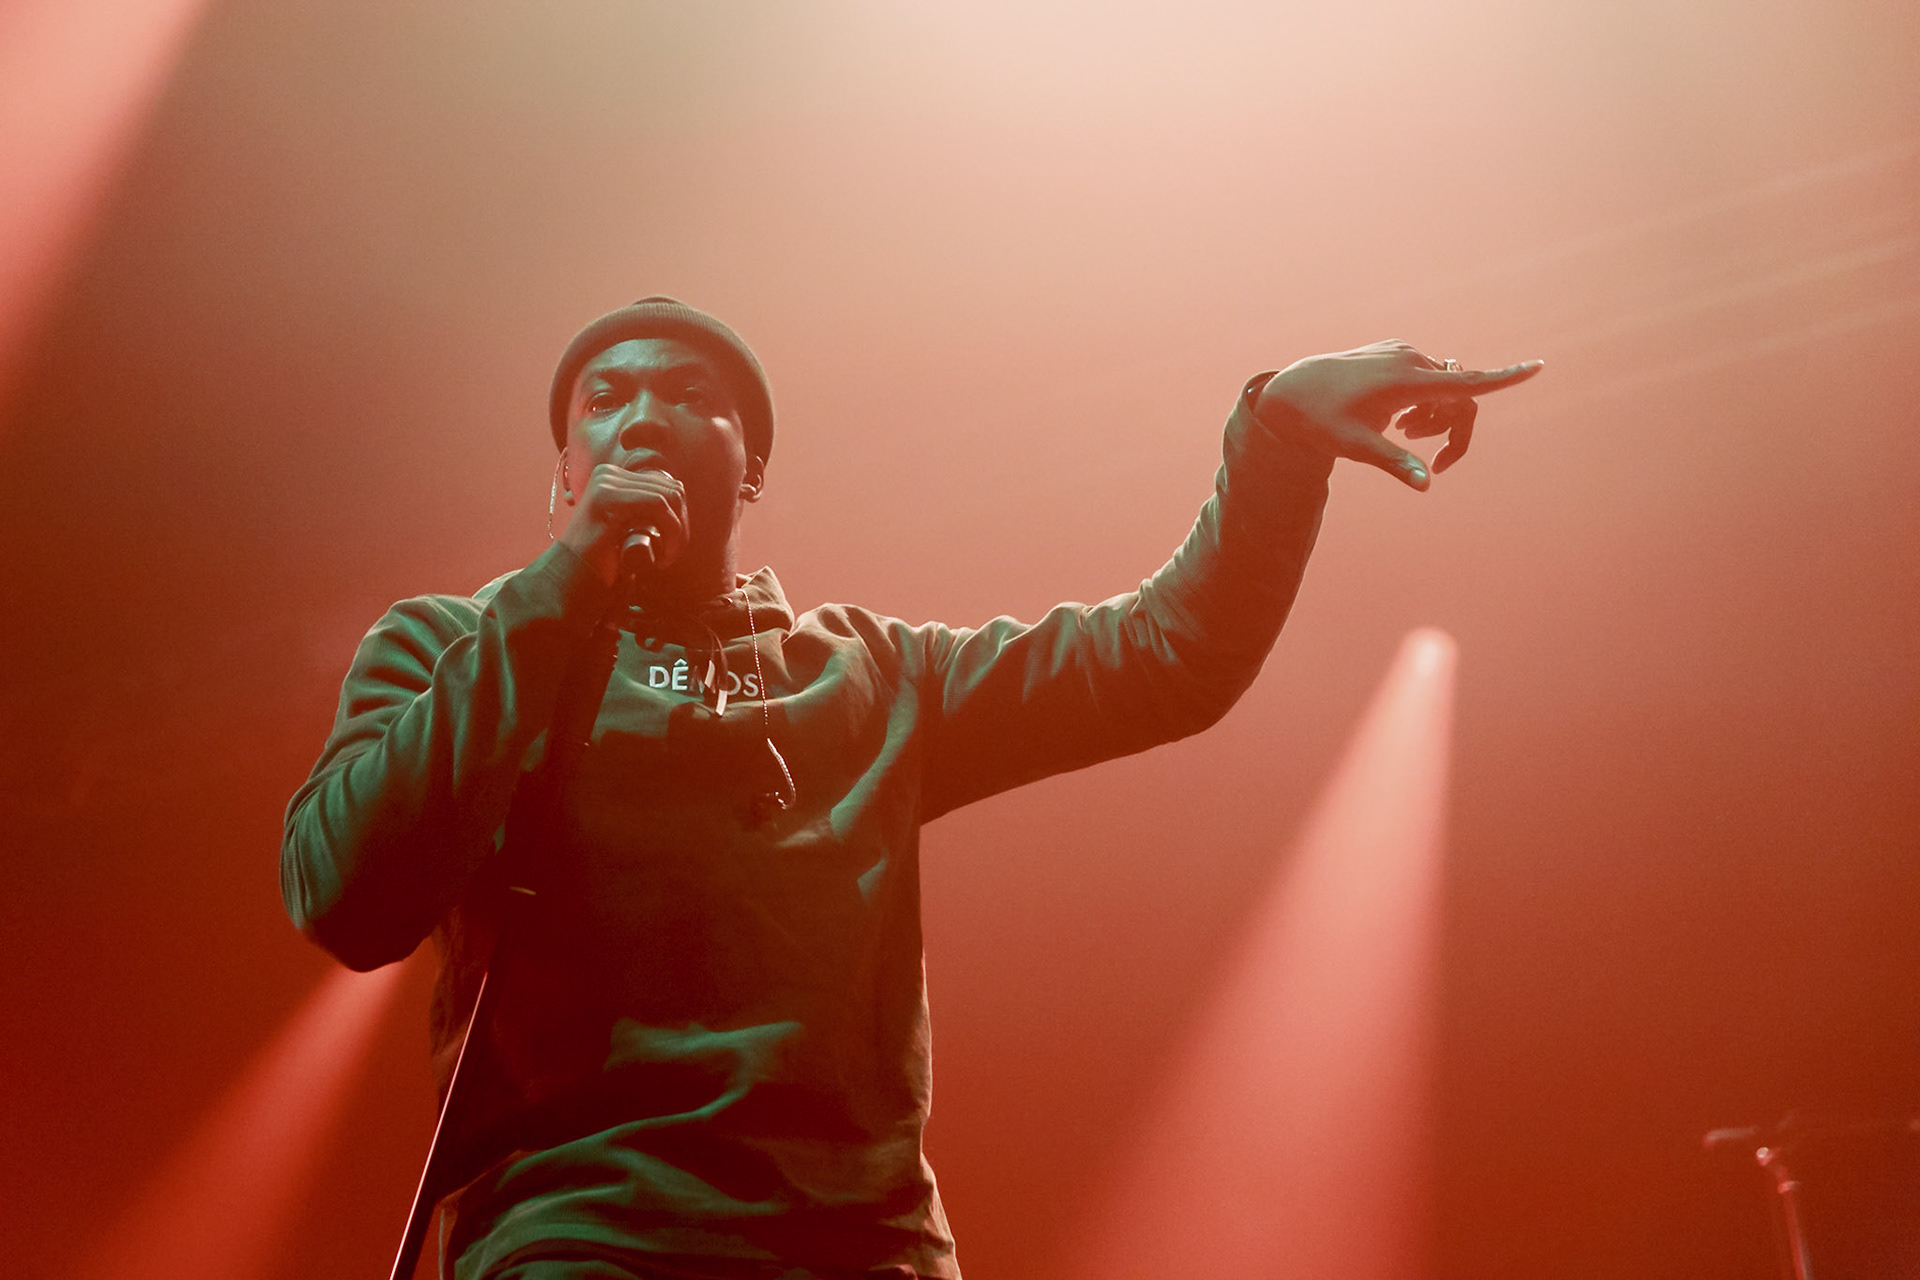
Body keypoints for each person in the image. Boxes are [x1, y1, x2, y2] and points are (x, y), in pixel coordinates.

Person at [281, 296, 1541, 1280]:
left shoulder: (873, 675)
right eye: (606, 398)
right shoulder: (462, 645)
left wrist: (1272, 440)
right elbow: (344, 891)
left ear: (752, 466)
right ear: (565, 462)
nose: (642, 415)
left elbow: (1160, 657)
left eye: (690, 395)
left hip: (862, 1243)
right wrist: (553, 596)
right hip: (585, 1233)